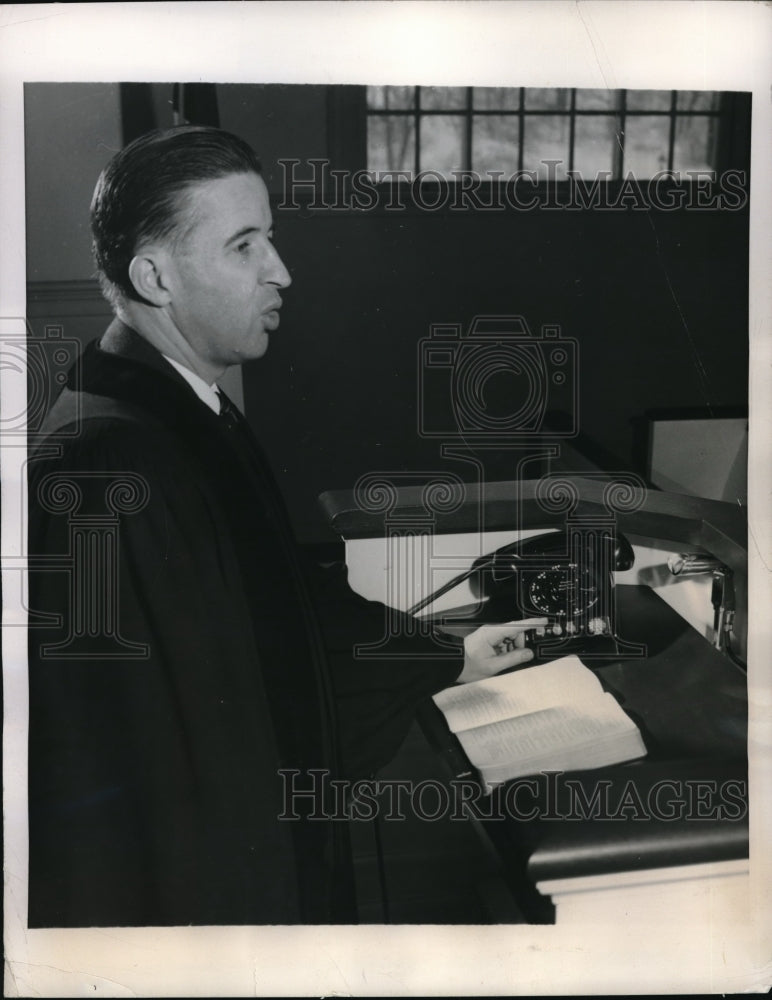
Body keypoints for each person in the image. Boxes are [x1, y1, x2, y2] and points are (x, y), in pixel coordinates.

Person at [26, 126, 539, 927]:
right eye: (244, 246)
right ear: (154, 276)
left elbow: (269, 617)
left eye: (272, 238)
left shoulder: (182, 410)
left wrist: (450, 654)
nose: (282, 272)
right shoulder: (104, 464)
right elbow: (152, 773)